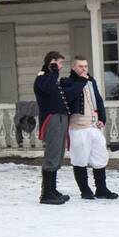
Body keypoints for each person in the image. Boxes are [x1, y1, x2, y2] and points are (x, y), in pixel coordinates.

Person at [60, 57, 118, 200]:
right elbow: (70, 96)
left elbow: (98, 100)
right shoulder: (66, 82)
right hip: (77, 127)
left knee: (100, 157)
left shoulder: (91, 81)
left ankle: (101, 189)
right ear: (73, 67)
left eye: (86, 66)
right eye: (80, 66)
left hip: (93, 126)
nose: (84, 69)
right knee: (80, 159)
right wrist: (81, 81)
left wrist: (102, 119)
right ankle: (85, 190)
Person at [34, 51, 70, 205]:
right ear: (52, 62)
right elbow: (47, 88)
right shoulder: (43, 77)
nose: (61, 67)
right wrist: (53, 70)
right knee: (52, 155)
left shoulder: (51, 78)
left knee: (58, 154)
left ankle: (52, 190)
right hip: (52, 119)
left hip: (60, 119)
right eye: (60, 63)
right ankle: (46, 194)